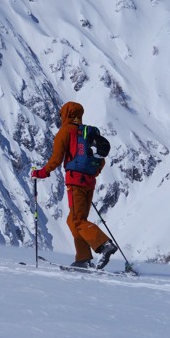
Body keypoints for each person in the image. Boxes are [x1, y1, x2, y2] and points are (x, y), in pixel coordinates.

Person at [31, 101, 118, 268]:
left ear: (66, 114)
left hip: (75, 182)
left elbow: (56, 159)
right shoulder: (87, 133)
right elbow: (101, 161)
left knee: (77, 221)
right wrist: (89, 175)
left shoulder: (66, 131)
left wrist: (41, 173)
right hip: (89, 182)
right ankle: (83, 258)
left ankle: (104, 244)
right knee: (74, 220)